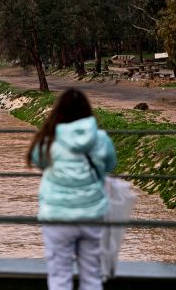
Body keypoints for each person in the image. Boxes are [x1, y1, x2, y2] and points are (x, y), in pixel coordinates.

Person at [27, 88, 116, 290]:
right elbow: (110, 165)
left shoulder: (49, 140)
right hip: (92, 215)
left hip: (57, 217)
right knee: (92, 276)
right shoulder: (101, 139)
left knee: (59, 277)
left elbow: (37, 160)